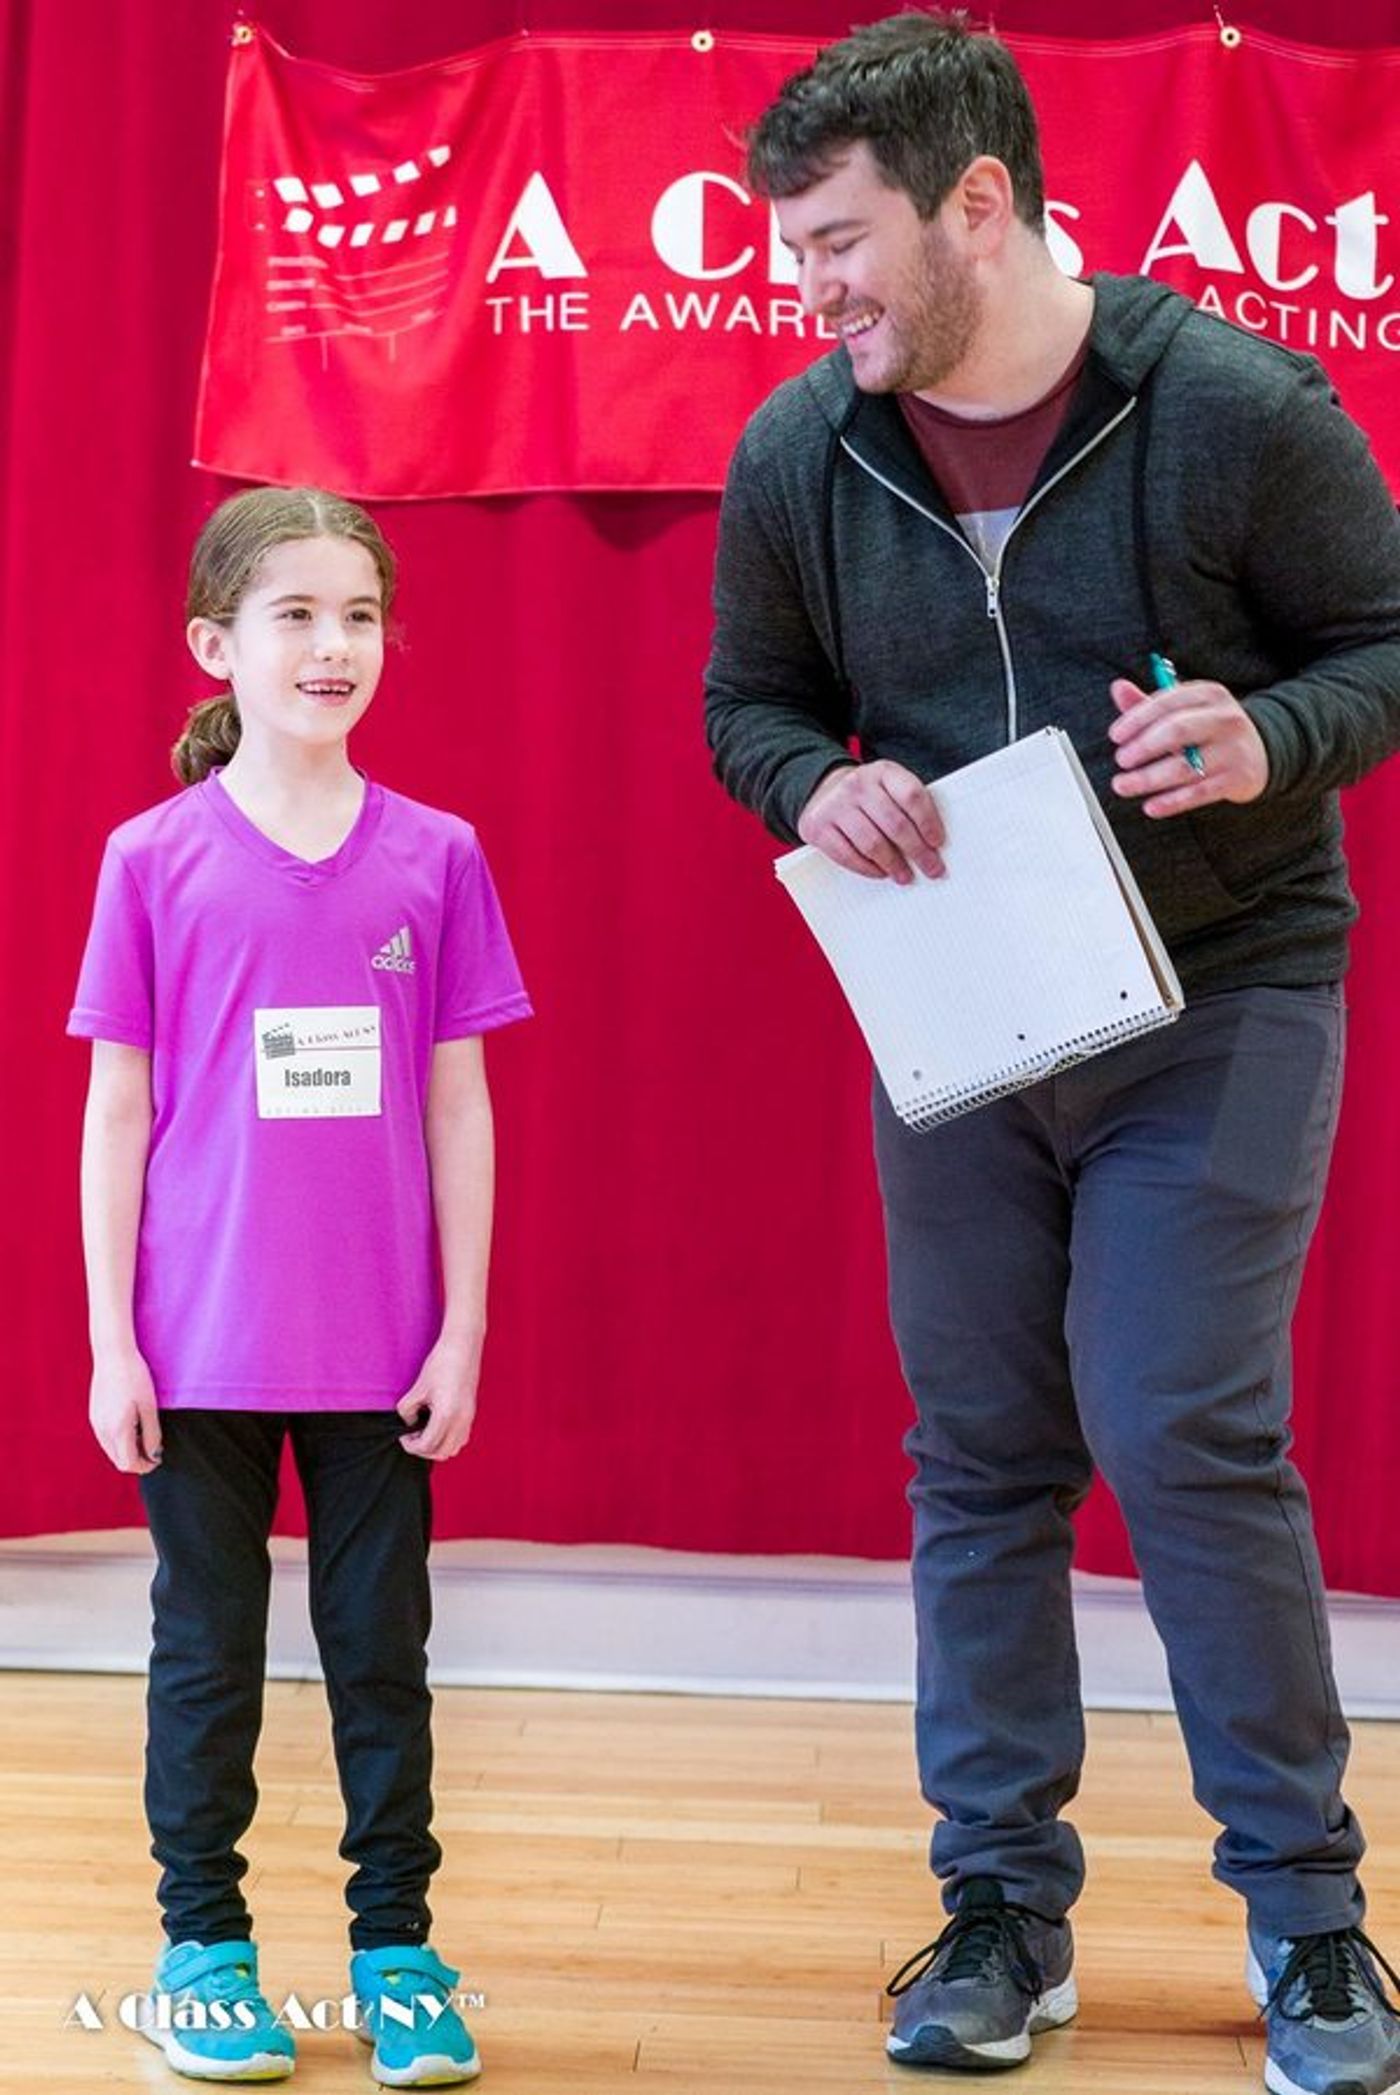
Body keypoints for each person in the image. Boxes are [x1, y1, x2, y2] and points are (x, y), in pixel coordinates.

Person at [704, 15, 1400, 2093]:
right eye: (794, 249)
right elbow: (748, 703)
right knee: (984, 1453)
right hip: (968, 1011)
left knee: (1182, 1429)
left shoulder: (1237, 411)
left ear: (977, 207)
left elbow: (1380, 646)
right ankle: (1000, 1905)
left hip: (1223, 997)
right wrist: (805, 790)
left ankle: (1310, 1925)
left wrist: (1271, 735)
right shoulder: (797, 450)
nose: (810, 289)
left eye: (839, 242)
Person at [70, 486, 531, 2086]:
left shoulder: (439, 855)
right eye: (294, 615)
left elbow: (458, 1103)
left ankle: (397, 1951)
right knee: (202, 1656)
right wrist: (110, 1340)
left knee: (379, 1655)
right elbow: (117, 1107)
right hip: (194, 1352)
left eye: (357, 616)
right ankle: (202, 1947)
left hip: (381, 1355)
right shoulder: (152, 860)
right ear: (217, 644)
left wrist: (461, 1326)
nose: (331, 647)